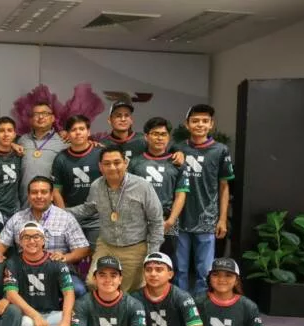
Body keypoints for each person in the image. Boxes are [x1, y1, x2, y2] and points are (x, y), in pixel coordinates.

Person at [67, 147, 164, 292]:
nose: (112, 167)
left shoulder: (142, 186)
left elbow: (156, 221)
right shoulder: (96, 186)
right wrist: (59, 211)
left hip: (134, 249)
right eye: (107, 164)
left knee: (124, 291)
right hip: (106, 245)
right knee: (93, 283)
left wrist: (152, 255)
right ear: (100, 167)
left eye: (117, 162)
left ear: (125, 163)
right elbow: (88, 209)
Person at [0, 176, 89, 298]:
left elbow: (83, 249)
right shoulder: (17, 219)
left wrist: (65, 258)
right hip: (24, 272)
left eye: (44, 192)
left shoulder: (66, 218)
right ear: (29, 196)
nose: (39, 196)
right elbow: (0, 245)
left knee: (79, 290)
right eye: (34, 192)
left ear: (51, 196)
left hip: (59, 271)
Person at [176, 104, 235, 295]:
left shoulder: (220, 150)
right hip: (180, 219)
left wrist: (222, 219)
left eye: (204, 121)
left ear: (211, 124)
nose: (200, 124)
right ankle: (181, 303)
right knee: (179, 269)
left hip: (207, 219)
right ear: (187, 124)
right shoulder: (177, 148)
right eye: (195, 121)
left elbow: (224, 187)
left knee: (205, 271)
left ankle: (202, 304)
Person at [3, 221, 75, 326]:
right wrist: (35, 316)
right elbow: (11, 294)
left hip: (51, 316)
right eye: (26, 237)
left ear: (44, 240)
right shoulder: (13, 262)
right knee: (26, 323)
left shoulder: (56, 262)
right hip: (28, 318)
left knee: (74, 318)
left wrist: (65, 320)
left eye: (36, 237)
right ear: (20, 241)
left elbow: (69, 293)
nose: (31, 241)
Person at [128, 117, 190, 267]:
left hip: (167, 221)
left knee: (166, 265)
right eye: (155, 134)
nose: (159, 138)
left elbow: (180, 194)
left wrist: (171, 221)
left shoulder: (178, 163)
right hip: (139, 222)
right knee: (138, 264)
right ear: (146, 136)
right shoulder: (134, 163)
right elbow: (128, 194)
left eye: (163, 134)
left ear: (168, 137)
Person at [51, 115, 102, 250]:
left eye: (82, 129)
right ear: (67, 135)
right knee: (71, 256)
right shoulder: (61, 158)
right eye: (73, 130)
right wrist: (63, 215)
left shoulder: (101, 154)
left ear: (88, 132)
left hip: (98, 217)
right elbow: (56, 191)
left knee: (96, 256)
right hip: (71, 215)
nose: (78, 132)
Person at [16, 102, 65, 207]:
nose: (41, 117)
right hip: (25, 203)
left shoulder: (63, 142)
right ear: (31, 119)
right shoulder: (22, 140)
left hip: (51, 204)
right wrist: (11, 144)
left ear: (53, 118)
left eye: (45, 113)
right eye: (36, 114)